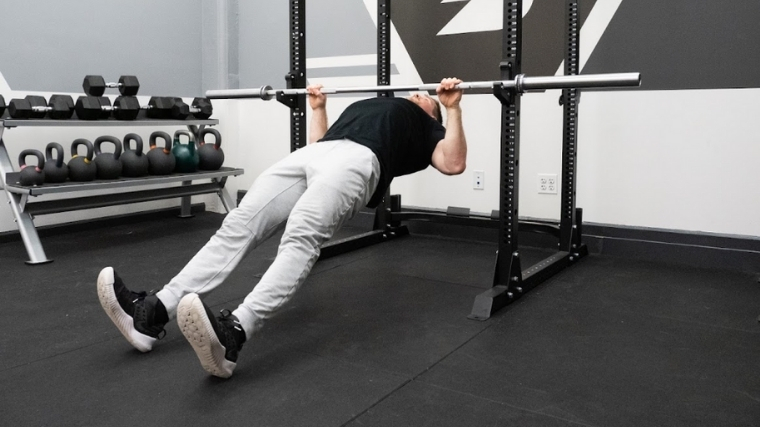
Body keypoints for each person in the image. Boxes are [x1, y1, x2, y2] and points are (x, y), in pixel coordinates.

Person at [96, 77, 467, 378]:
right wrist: (318, 110)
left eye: (425, 97)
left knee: (300, 238)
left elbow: (452, 163)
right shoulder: (375, 106)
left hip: (358, 161)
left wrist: (452, 109)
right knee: (238, 223)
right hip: (317, 154)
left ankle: (234, 333)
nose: (418, 92)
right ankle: (152, 314)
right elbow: (319, 143)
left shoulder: (425, 127)